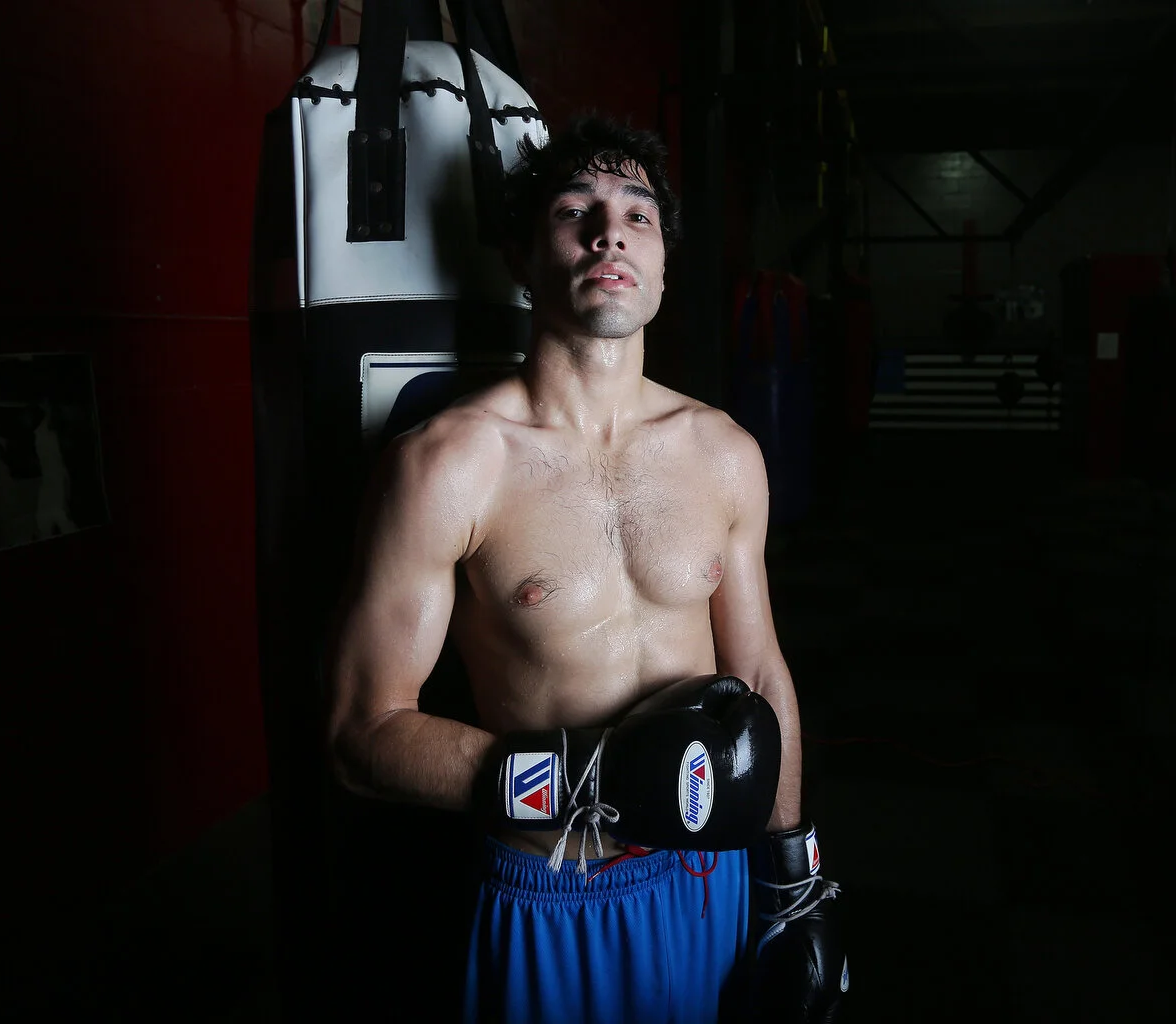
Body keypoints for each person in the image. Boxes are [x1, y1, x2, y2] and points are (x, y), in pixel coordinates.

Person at [327, 115, 846, 1023]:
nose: (611, 231)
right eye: (576, 211)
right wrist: (583, 785)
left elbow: (759, 673)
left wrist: (794, 878)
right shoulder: (448, 466)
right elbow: (360, 736)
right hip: (554, 896)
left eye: (637, 216)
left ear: (660, 263)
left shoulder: (724, 452)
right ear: (523, 261)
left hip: (710, 881)